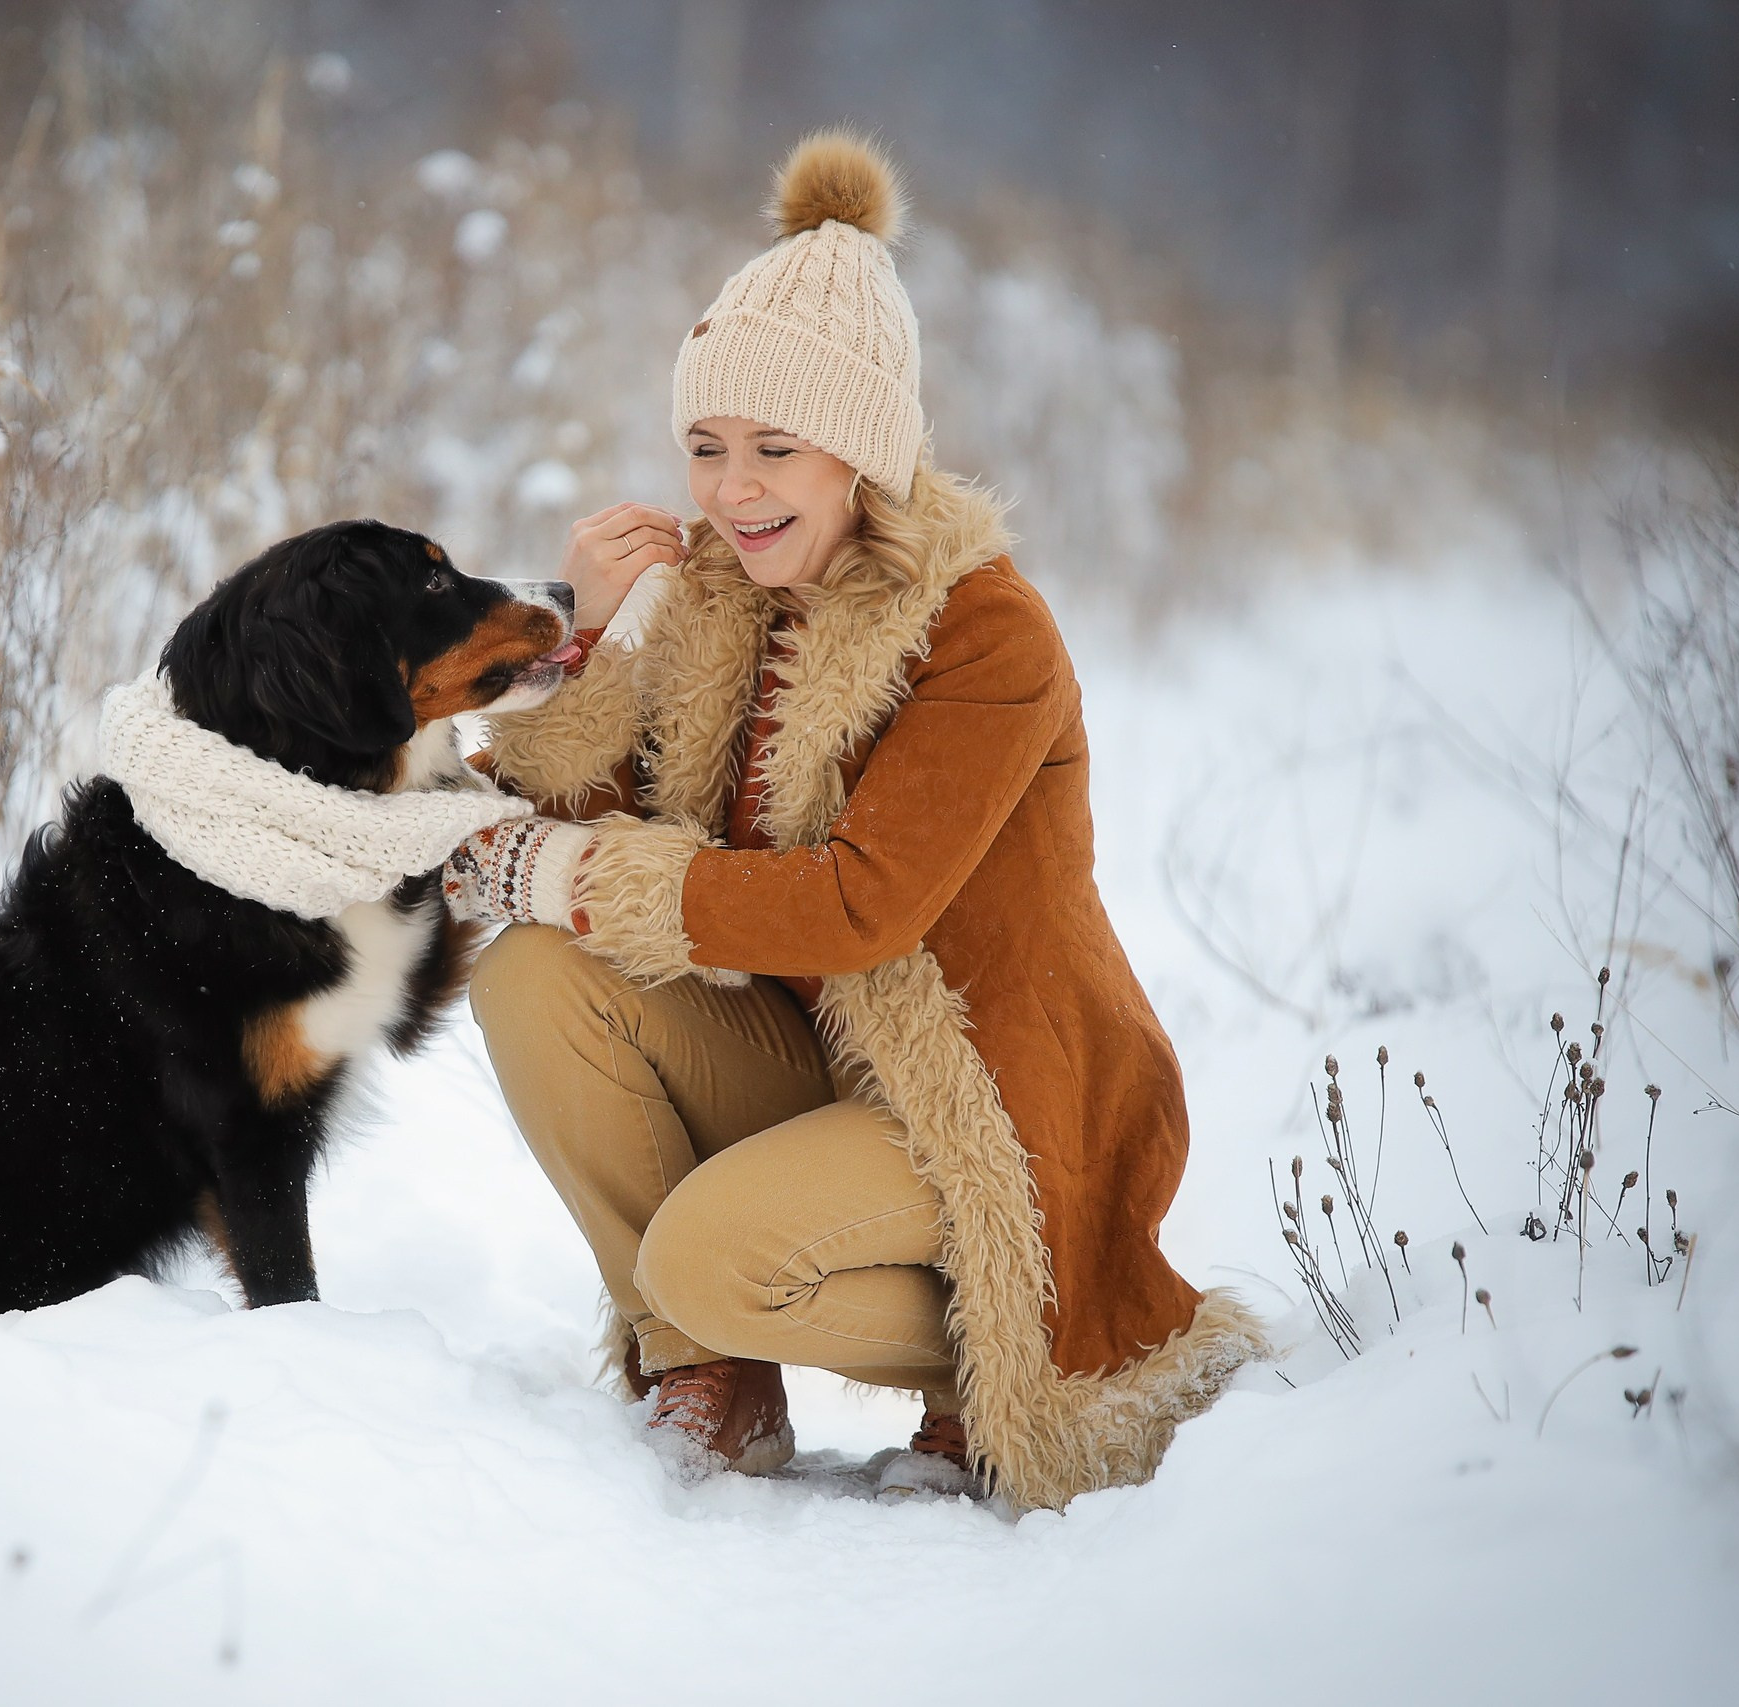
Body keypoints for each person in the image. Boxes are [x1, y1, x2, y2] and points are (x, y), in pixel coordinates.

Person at [438, 132, 1263, 1510]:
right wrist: (574, 642)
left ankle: (1001, 1361)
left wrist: (574, 872)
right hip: (815, 1061)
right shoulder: (716, 606)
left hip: (985, 1098)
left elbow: (860, 904)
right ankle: (708, 1374)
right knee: (535, 970)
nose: (732, 490)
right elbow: (592, 834)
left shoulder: (985, 631)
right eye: (705, 448)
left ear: (862, 458)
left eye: (775, 449)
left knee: (706, 1248)